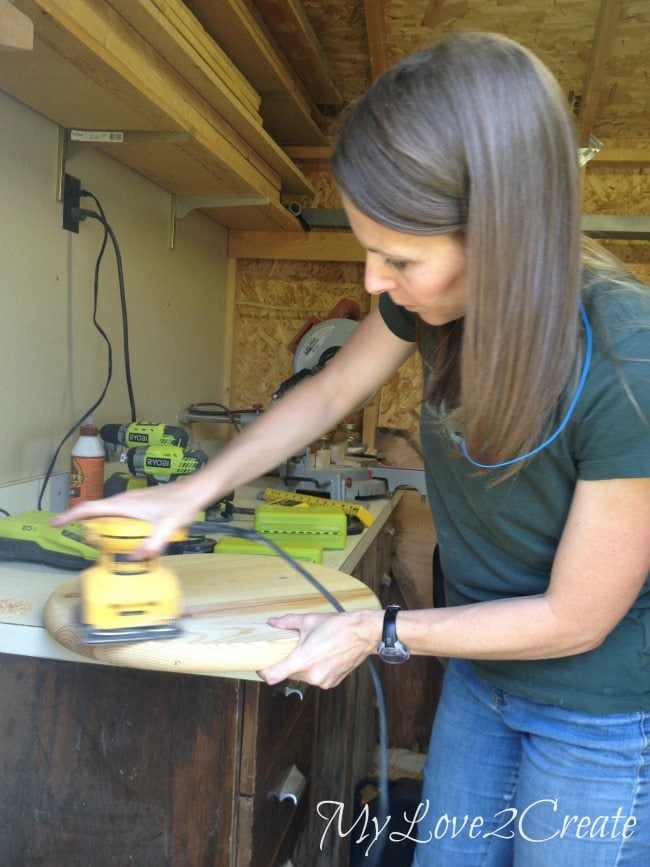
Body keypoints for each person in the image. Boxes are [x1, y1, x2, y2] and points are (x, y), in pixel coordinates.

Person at [55, 32, 650, 866]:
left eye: (398, 257)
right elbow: (331, 390)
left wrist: (382, 627)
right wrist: (186, 492)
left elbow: (574, 618)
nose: (374, 281)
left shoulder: (629, 361)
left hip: (599, 709)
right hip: (484, 680)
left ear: (502, 237)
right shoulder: (438, 299)